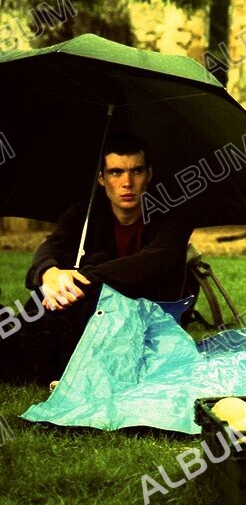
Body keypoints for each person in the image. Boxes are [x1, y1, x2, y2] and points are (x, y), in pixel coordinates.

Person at [0, 132, 194, 384]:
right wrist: (51, 274)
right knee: (44, 308)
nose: (127, 182)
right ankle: (32, 342)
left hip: (150, 316)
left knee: (93, 266)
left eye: (136, 171)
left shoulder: (173, 216)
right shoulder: (85, 213)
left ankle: (42, 349)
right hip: (89, 311)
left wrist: (79, 279)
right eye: (116, 172)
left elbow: (151, 264)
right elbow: (51, 248)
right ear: (102, 178)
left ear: (149, 175)